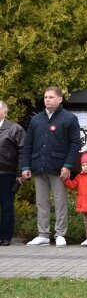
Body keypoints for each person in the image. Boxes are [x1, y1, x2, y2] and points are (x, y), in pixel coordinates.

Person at [21, 86, 81, 247]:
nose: (47, 99)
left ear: (60, 99)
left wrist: (68, 165)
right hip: (39, 167)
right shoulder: (36, 120)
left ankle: (60, 234)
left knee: (60, 202)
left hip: (59, 167)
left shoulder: (69, 118)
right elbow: (28, 144)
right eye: (45, 97)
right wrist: (25, 166)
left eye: (51, 97)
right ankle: (43, 235)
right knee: (41, 202)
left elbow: (75, 144)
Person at [0, 100, 25, 246]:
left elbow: (23, 150)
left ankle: (5, 237)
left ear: (5, 111)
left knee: (6, 205)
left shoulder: (14, 129)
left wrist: (20, 172)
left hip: (7, 173)